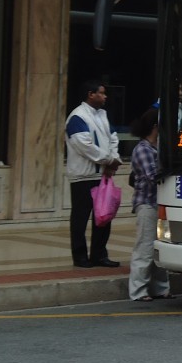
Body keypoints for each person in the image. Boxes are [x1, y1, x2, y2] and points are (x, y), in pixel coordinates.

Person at [65, 79, 122, 268]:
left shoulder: (103, 115)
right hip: (83, 176)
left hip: (101, 176)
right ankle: (80, 256)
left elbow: (113, 139)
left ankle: (99, 254)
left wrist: (113, 159)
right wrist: (108, 160)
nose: (105, 96)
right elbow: (84, 146)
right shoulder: (77, 117)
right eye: (102, 93)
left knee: (103, 217)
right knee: (80, 217)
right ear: (91, 94)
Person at [128, 108, 171, 301]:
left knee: (160, 249)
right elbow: (152, 175)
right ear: (155, 126)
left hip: (159, 203)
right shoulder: (143, 149)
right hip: (146, 203)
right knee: (145, 248)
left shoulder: (158, 147)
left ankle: (161, 289)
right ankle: (138, 291)